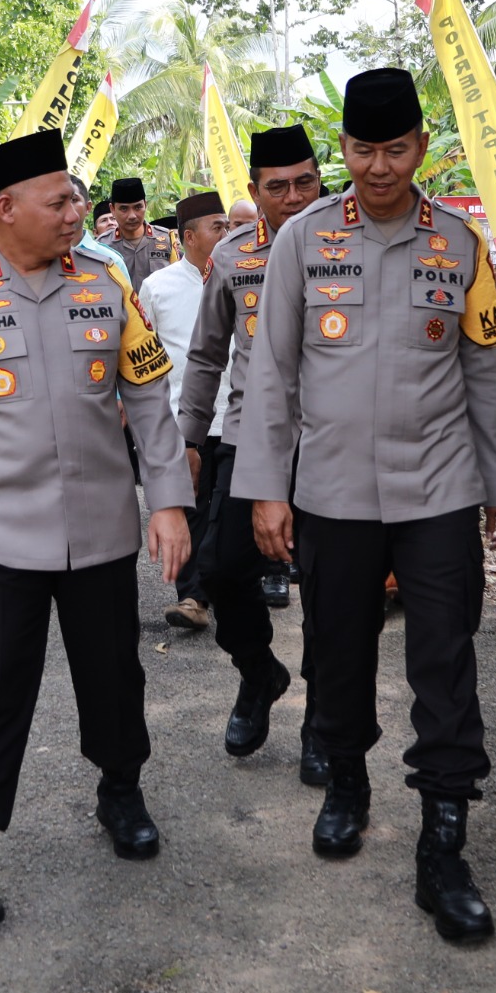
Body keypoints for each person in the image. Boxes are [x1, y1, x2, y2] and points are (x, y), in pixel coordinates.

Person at [231, 68, 496, 945]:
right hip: (331, 492)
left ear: (421, 148)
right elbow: (273, 374)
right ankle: (348, 782)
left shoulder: (460, 245)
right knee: (339, 646)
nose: (379, 166)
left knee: (445, 654)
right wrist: (265, 491)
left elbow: (482, 371)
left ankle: (444, 836)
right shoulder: (304, 240)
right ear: (344, 151)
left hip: (437, 488)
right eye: (362, 149)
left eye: (395, 148)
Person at [0, 128, 195, 960]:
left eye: (77, 198)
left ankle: (121, 789)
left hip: (100, 531)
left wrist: (167, 501)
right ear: (6, 209)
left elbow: (146, 400)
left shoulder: (107, 285)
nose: (78, 212)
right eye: (61, 200)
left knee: (114, 677)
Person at [177, 126, 326, 773]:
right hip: (247, 437)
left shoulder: (351, 243)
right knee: (220, 568)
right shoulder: (234, 257)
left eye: (305, 183)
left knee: (331, 590)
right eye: (277, 187)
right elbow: (207, 355)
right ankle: (259, 672)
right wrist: (187, 437)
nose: (293, 198)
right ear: (254, 192)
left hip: (331, 442)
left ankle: (326, 722)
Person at [138, 191, 232, 633]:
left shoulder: (243, 275)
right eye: (219, 226)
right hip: (184, 419)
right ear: (189, 236)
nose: (227, 233)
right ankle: (193, 597)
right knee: (191, 507)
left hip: (237, 414)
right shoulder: (157, 287)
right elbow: (147, 354)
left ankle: (229, 585)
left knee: (226, 508)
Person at [103, 176, 175, 285]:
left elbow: (176, 280)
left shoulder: (166, 238)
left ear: (145, 205)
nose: (132, 216)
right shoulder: (103, 246)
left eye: (138, 207)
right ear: (112, 209)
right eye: (124, 209)